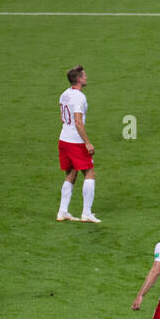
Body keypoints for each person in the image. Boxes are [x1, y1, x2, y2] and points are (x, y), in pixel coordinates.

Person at [56, 64, 99, 223]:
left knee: (71, 174)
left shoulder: (64, 94)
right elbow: (78, 122)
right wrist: (87, 142)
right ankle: (86, 213)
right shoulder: (79, 97)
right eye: (84, 75)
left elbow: (62, 117)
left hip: (63, 139)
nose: (86, 77)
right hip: (75, 141)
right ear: (79, 79)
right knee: (89, 172)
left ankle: (62, 211)